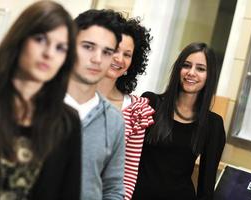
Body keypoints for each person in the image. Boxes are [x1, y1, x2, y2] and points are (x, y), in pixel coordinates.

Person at [0, 1, 81, 200]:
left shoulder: (67, 122)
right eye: (40, 39)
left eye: (60, 48)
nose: (49, 54)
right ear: (20, 40)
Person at [132, 42, 226, 200]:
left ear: (209, 76)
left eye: (201, 69)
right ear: (178, 69)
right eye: (186, 65)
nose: (191, 73)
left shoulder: (213, 124)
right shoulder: (151, 102)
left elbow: (206, 187)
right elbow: (126, 158)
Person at [65, 9, 125, 200]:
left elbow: (113, 188)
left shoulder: (114, 121)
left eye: (107, 52)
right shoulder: (37, 104)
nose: (97, 59)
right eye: (88, 47)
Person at [97, 17, 154, 200]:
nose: (119, 59)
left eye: (127, 54)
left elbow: (128, 175)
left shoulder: (137, 109)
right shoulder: (72, 95)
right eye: (115, 50)